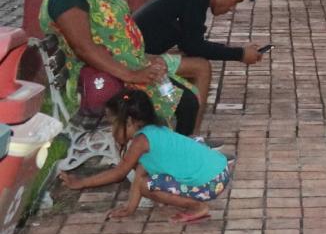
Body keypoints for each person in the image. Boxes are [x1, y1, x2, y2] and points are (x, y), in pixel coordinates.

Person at [40, 0, 204, 136]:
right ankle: (174, 158)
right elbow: (84, 48)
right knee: (184, 102)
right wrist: (133, 74)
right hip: (106, 78)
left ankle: (177, 154)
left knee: (186, 96)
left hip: (123, 67)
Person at [58, 89, 230, 224]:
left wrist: (80, 183)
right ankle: (188, 197)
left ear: (130, 122)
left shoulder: (141, 141)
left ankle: (197, 206)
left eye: (113, 124)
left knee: (148, 186)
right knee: (145, 181)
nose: (111, 130)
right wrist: (129, 209)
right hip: (220, 172)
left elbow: (119, 174)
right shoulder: (156, 131)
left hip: (210, 183)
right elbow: (140, 173)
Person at [133, 0, 263, 72]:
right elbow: (194, 46)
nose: (232, 8)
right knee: (201, 67)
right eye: (236, 1)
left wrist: (239, 51)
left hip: (132, 49)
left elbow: (189, 43)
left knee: (190, 58)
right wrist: (240, 54)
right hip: (133, 57)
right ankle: (196, 104)